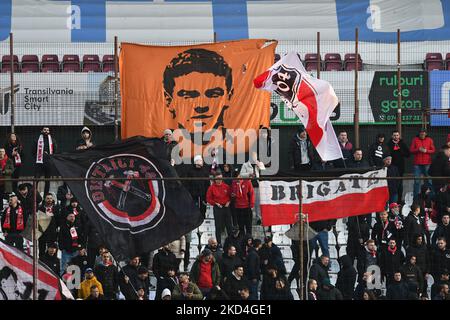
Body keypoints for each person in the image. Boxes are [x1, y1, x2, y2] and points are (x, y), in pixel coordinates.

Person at [163, 48, 233, 144]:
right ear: (169, 101)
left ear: (228, 97)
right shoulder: (158, 145)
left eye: (213, 95)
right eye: (188, 96)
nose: (201, 106)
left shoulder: (239, 140)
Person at [206, 171, 233, 245]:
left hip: (226, 207)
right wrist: (215, 203)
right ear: (215, 179)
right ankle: (219, 244)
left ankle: (231, 243)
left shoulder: (226, 186)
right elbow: (208, 199)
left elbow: (231, 196)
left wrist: (229, 201)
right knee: (218, 226)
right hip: (218, 208)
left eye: (221, 178)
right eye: (218, 178)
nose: (219, 180)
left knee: (229, 226)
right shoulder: (211, 188)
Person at [239, 150, 265, 225]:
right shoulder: (245, 165)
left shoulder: (259, 164)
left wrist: (259, 165)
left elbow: (264, 171)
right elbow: (241, 174)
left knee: (257, 203)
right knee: (249, 203)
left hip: (257, 186)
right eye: (253, 156)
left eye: (256, 156)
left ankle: (258, 218)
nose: (254, 158)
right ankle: (249, 217)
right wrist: (249, 174)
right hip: (248, 187)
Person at [410, 129, 435, 198]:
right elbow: (411, 150)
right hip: (417, 164)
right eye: (421, 134)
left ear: (426, 134)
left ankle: (431, 198)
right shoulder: (415, 139)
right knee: (417, 181)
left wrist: (426, 151)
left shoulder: (430, 140)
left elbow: (433, 150)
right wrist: (418, 149)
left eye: (424, 134)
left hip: (427, 163)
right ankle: (416, 198)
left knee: (429, 181)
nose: (422, 135)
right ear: (419, 134)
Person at [183, 155, 210, 219]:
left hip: (203, 195)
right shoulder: (190, 172)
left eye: (201, 161)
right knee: (194, 208)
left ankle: (202, 219)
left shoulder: (205, 172)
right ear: (195, 162)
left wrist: (207, 194)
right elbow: (187, 183)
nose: (200, 162)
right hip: (193, 194)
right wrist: (190, 193)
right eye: (198, 161)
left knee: (203, 209)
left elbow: (207, 184)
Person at [33, 127, 57, 196]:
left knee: (47, 181)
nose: (46, 131)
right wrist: (39, 156)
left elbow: (55, 151)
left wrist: (48, 155)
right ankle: (34, 196)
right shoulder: (37, 140)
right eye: (45, 130)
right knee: (36, 180)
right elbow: (33, 151)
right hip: (39, 163)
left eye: (47, 130)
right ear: (41, 131)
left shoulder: (52, 140)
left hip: (48, 163)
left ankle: (45, 197)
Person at [388, 130, 410, 203]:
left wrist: (399, 149)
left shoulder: (402, 143)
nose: (396, 137)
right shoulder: (389, 144)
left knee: (400, 184)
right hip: (391, 167)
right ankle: (391, 201)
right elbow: (387, 153)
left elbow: (408, 154)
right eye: (394, 135)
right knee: (392, 184)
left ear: (399, 136)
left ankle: (399, 201)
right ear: (392, 136)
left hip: (400, 167)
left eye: (397, 135)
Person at [37, 193, 59, 257]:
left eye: (51, 198)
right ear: (45, 199)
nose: (49, 200)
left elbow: (58, 219)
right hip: (42, 232)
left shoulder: (56, 208)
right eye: (48, 198)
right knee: (42, 250)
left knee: (52, 250)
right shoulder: (40, 208)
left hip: (52, 232)